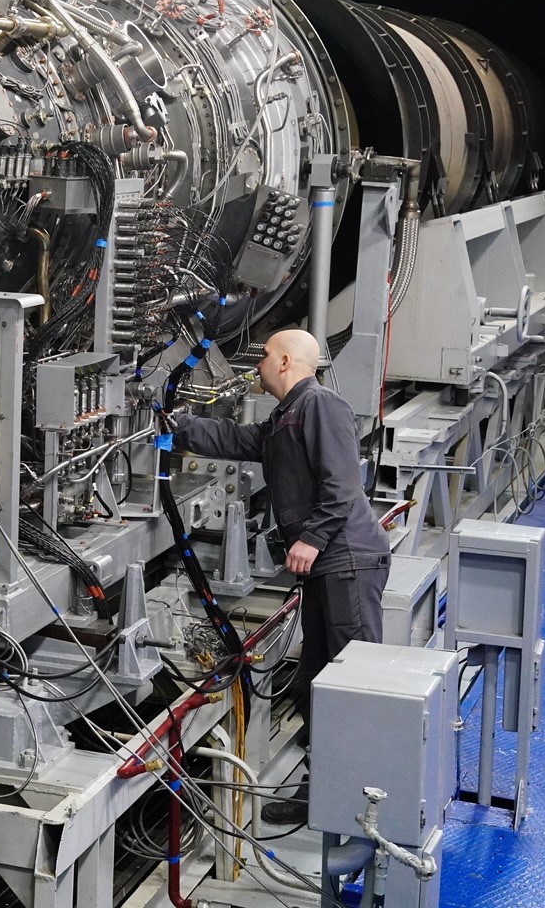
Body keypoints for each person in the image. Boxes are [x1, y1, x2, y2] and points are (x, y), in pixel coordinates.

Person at [167, 329, 391, 823]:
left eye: (266, 355)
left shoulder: (321, 405)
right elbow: (235, 440)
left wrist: (311, 538)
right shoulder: (285, 416)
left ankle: (364, 801)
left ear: (286, 361)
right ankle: (325, 790)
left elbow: (341, 484)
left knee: (352, 682)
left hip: (347, 561)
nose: (259, 363)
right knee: (318, 681)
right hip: (330, 567)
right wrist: (175, 424)